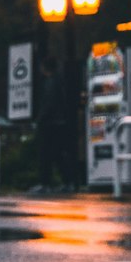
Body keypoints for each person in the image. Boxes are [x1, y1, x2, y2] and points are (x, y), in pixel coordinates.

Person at [36, 52, 81, 192]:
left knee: (45, 154)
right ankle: (68, 182)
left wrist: (40, 119)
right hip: (60, 122)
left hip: (50, 124)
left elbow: (49, 104)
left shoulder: (50, 82)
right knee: (58, 154)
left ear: (44, 67)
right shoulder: (60, 80)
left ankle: (46, 184)